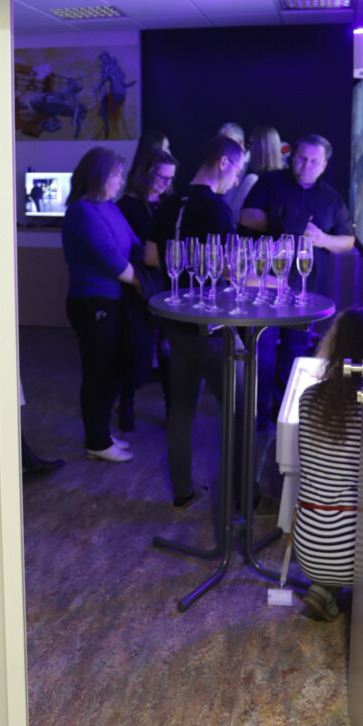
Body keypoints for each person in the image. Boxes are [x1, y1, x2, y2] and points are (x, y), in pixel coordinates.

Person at [146, 134, 244, 508]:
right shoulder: (217, 209)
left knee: (181, 410)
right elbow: (229, 269)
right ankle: (245, 498)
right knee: (240, 411)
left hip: (175, 319)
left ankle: (183, 493)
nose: (237, 179)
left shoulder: (169, 203)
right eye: (237, 170)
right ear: (223, 162)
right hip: (210, 325)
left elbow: (152, 258)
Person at [240, 133, 355, 421]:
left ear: (324, 165)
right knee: (263, 351)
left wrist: (322, 238)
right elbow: (246, 216)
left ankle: (287, 414)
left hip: (306, 287)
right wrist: (290, 222)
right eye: (302, 158)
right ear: (293, 157)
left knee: (295, 351)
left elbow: (347, 241)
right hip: (264, 284)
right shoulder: (269, 182)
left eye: (314, 161)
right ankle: (257, 415)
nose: (306, 164)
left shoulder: (332, 198)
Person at [62, 147, 142, 463]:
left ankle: (101, 434)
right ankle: (97, 441)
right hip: (92, 302)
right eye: (116, 175)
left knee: (113, 370)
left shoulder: (108, 207)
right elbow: (109, 258)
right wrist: (144, 284)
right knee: (98, 373)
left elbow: (133, 244)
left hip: (113, 301)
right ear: (99, 176)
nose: (121, 181)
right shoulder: (82, 211)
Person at [293, 309, 363, 621]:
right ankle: (355, 592)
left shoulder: (308, 399)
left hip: (307, 546)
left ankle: (323, 587)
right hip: (355, 552)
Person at [116, 146, 179, 429]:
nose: (166, 183)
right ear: (145, 174)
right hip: (136, 285)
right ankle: (126, 407)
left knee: (168, 349)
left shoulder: (170, 204)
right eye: (161, 177)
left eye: (170, 178)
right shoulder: (126, 206)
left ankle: (172, 409)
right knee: (133, 347)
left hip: (166, 283)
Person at [231, 125, 284, 217]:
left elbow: (235, 215)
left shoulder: (253, 179)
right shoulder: (283, 181)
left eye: (251, 143)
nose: (248, 148)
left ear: (261, 147)